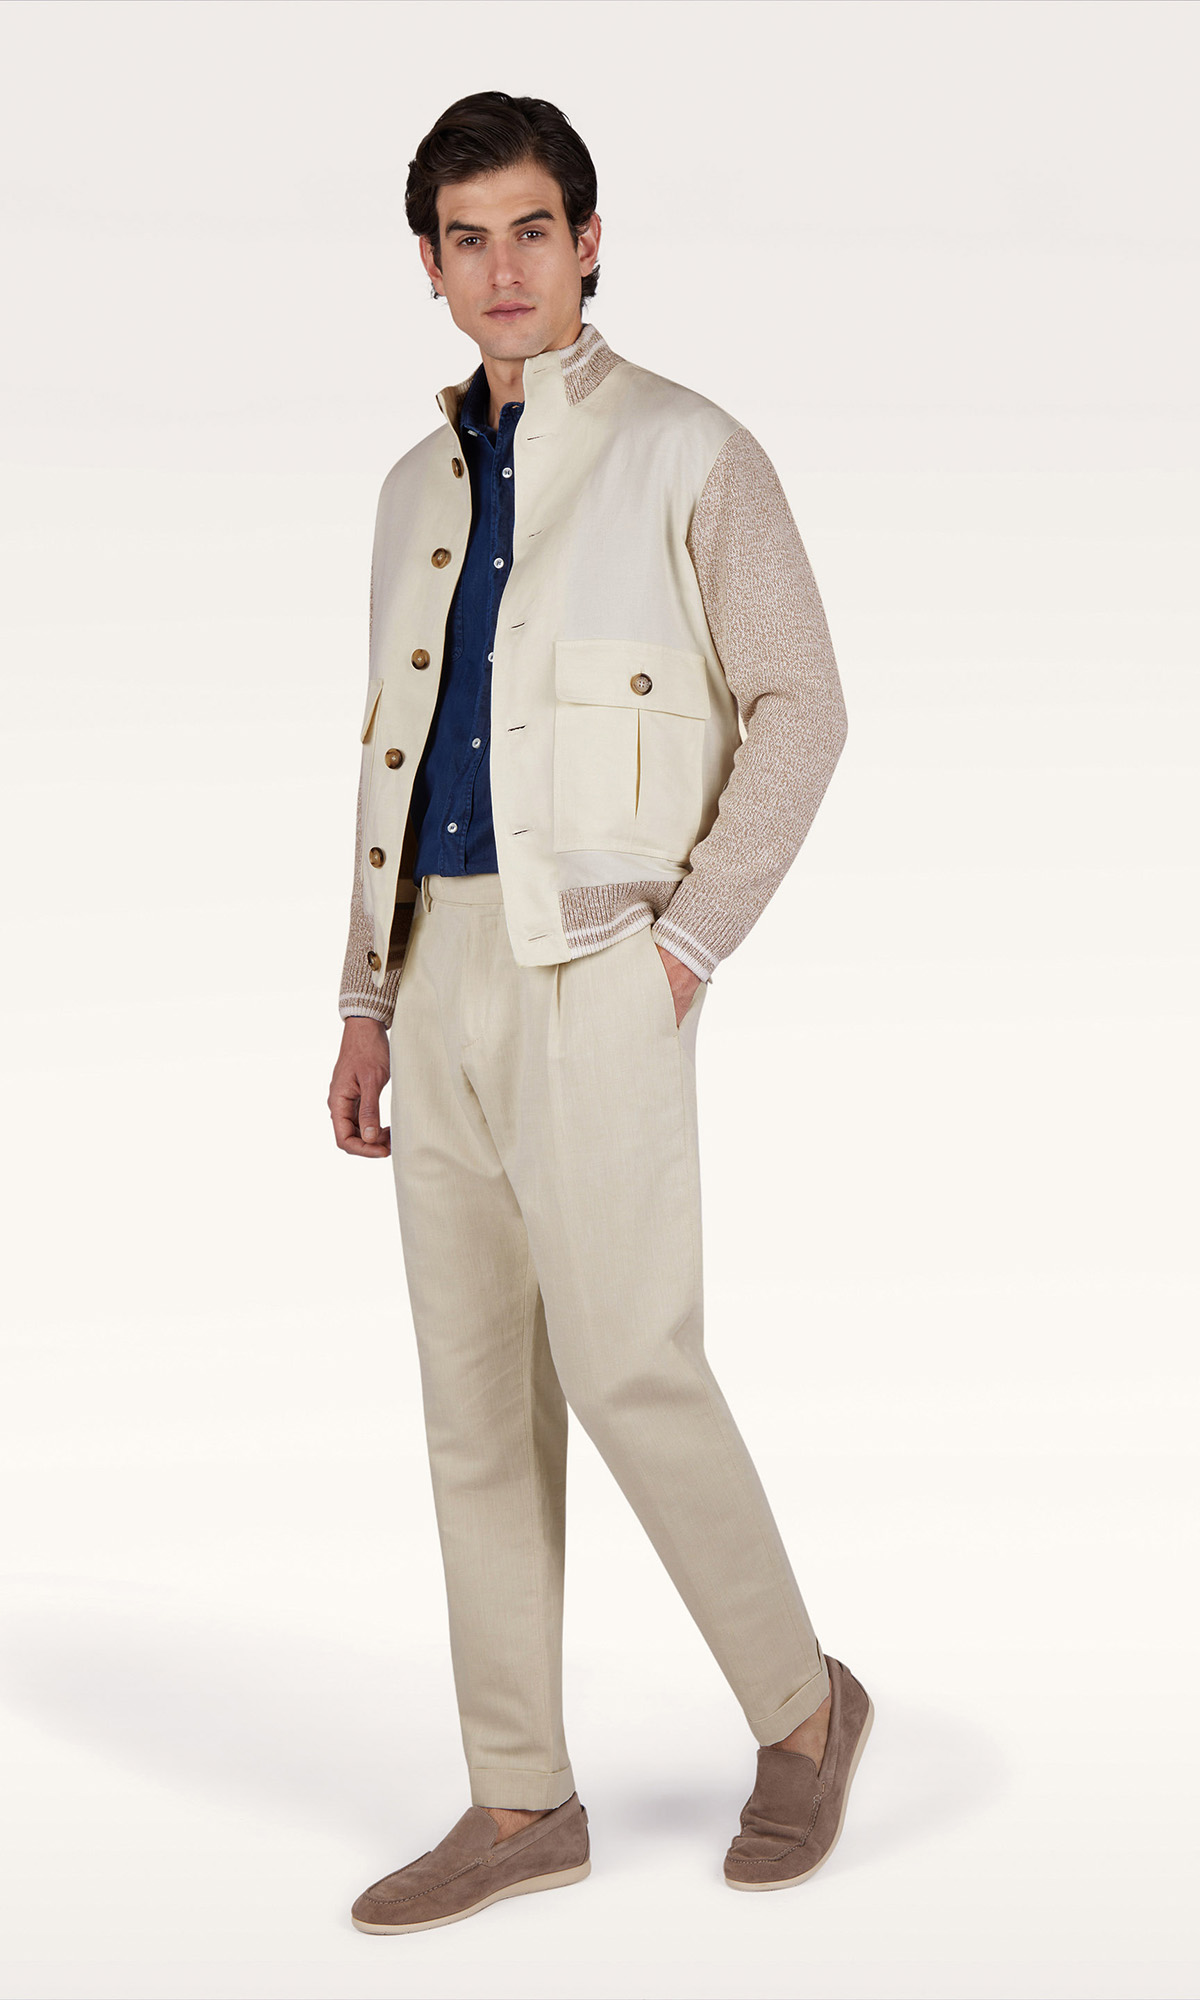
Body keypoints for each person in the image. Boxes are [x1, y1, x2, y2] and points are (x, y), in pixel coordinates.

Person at [327, 89, 870, 1936]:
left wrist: (688, 947)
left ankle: (803, 1709)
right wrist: (364, 999)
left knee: (632, 1362)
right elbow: (390, 762)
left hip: (602, 968)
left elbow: (802, 706)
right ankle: (518, 1796)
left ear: (589, 242)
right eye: (466, 238)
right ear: (429, 265)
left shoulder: (688, 450)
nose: (504, 267)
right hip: (439, 973)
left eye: (533, 230)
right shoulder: (410, 492)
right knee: (475, 1400)